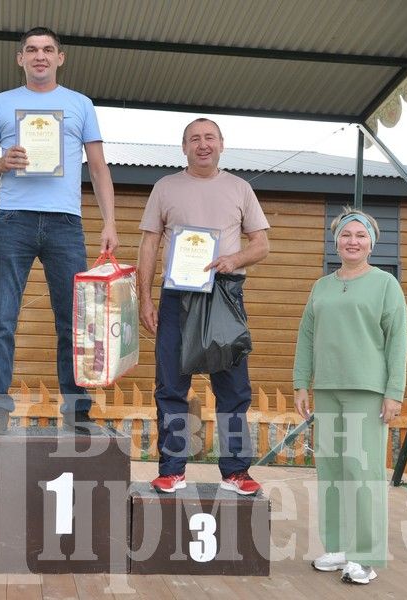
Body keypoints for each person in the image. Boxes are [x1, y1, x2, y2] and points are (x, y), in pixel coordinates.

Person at [0, 27, 118, 435]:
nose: (40, 56)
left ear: (60, 57)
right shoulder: (1, 104)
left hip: (66, 222)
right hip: (14, 219)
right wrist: (2, 163)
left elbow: (98, 166)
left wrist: (109, 222)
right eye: (32, 50)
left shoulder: (80, 104)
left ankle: (77, 412)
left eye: (48, 50)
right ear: (20, 58)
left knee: (73, 321)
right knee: (2, 317)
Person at [137, 118, 270, 495]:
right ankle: (173, 469)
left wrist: (234, 260)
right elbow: (148, 245)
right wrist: (145, 298)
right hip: (176, 296)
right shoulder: (165, 187)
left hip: (224, 294)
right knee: (171, 386)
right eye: (194, 139)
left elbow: (262, 244)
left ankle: (235, 472)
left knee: (233, 388)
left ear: (221, 144)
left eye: (209, 137)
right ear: (184, 148)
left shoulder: (240, 188)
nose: (202, 144)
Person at [293, 207, 407, 585]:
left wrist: (394, 392)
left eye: (360, 235)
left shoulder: (385, 285)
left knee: (363, 473)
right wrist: (301, 383)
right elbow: (307, 336)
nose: (352, 241)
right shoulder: (320, 286)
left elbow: (398, 342)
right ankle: (339, 547)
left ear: (371, 243)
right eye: (346, 235)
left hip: (367, 391)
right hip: (327, 388)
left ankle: (365, 556)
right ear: (336, 240)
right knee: (331, 470)